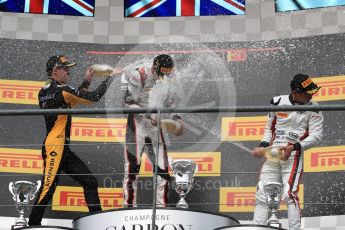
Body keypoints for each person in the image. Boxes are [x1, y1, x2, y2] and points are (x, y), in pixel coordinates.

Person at [28, 55, 121, 226]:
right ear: (55, 70)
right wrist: (111, 78)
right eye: (66, 69)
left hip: (62, 148)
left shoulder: (44, 90)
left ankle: (97, 223)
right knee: (47, 190)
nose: (68, 72)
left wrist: (86, 82)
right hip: (56, 147)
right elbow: (93, 98)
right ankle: (32, 226)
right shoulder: (62, 90)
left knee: (90, 182)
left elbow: (72, 97)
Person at [251, 73, 323, 230]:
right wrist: (263, 146)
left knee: (290, 194)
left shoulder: (315, 108)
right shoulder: (277, 102)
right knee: (262, 193)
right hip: (273, 153)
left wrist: (293, 147)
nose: (311, 95)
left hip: (294, 154)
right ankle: (258, 228)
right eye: (307, 93)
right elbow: (269, 128)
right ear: (295, 92)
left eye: (312, 92)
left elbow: (316, 136)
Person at [123, 54, 183, 207]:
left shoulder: (169, 77)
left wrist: (177, 118)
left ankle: (162, 207)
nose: (164, 76)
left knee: (162, 168)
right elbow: (128, 104)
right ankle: (128, 206)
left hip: (156, 126)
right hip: (137, 124)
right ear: (154, 68)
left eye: (167, 73)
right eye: (161, 73)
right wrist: (149, 114)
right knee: (132, 167)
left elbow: (171, 102)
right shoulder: (139, 75)